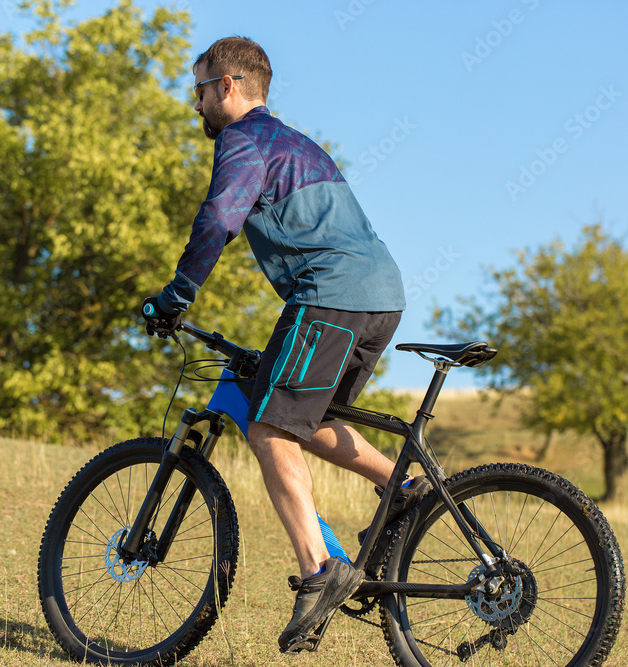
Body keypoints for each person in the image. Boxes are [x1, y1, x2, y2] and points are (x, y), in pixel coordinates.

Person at [142, 36, 427, 652]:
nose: (196, 105)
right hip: (380, 295)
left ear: (228, 86)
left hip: (330, 295)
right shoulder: (294, 141)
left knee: (269, 428)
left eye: (199, 88)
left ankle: (321, 571)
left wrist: (177, 294)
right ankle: (405, 486)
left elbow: (220, 219)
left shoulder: (242, 141)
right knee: (303, 416)